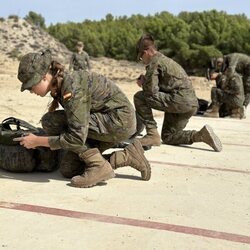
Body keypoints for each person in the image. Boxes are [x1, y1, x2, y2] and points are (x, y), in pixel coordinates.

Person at [15, 49, 151, 188]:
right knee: (70, 169)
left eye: (31, 86)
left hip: (118, 122)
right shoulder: (60, 85)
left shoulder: (71, 87)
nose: (31, 91)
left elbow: (76, 137)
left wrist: (37, 141)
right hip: (106, 123)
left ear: (44, 77)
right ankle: (127, 156)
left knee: (50, 121)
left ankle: (99, 166)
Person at [133, 34, 222, 152]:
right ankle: (200, 135)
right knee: (168, 136)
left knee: (140, 97)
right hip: (190, 104)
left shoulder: (154, 62)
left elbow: (151, 93)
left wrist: (143, 84)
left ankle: (152, 134)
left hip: (178, 101)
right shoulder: (166, 60)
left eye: (141, 57)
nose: (142, 61)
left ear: (147, 52)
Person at [209, 53, 250, 117]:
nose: (219, 66)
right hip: (245, 71)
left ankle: (242, 108)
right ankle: (237, 109)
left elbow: (231, 70)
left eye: (219, 64)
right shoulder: (227, 62)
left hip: (248, 69)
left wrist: (219, 76)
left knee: (248, 88)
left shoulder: (232, 58)